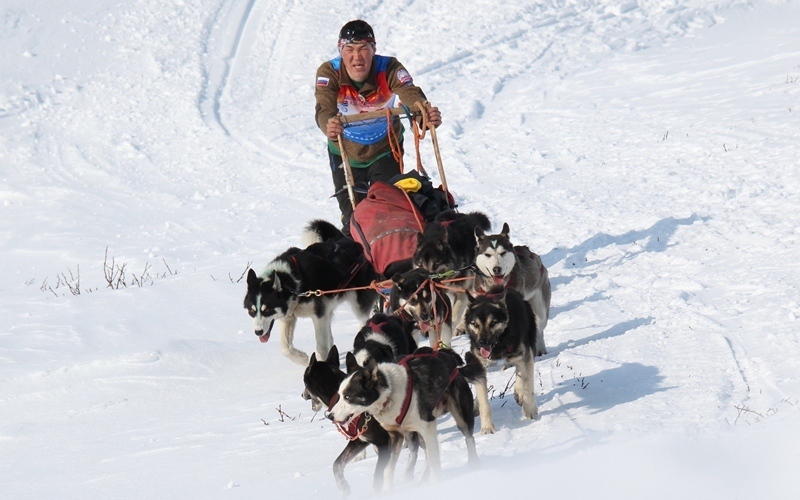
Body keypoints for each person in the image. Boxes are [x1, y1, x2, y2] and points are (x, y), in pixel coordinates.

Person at [314, 19, 442, 235]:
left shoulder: (389, 68)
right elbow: (324, 106)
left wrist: (424, 115)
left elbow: (411, 94)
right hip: (345, 151)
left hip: (385, 149)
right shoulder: (329, 72)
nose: (357, 57)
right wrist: (329, 124)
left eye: (364, 49)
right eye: (350, 50)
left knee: (386, 213)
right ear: (340, 50)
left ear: (373, 50)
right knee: (353, 219)